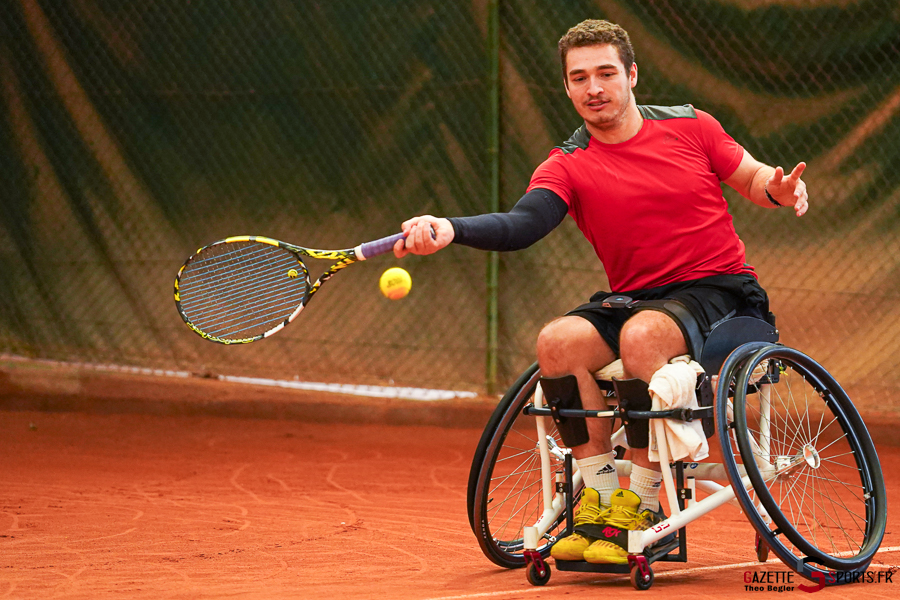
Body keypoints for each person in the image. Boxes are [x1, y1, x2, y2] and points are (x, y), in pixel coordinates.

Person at [393, 19, 808, 564]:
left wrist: (777, 189)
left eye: (606, 73)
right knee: (558, 342)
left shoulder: (691, 126)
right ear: (567, 88)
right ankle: (599, 499)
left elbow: (754, 178)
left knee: (640, 337)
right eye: (579, 77)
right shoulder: (567, 164)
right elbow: (524, 223)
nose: (594, 88)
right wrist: (452, 228)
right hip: (638, 298)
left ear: (632, 75)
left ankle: (642, 499)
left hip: (720, 292)